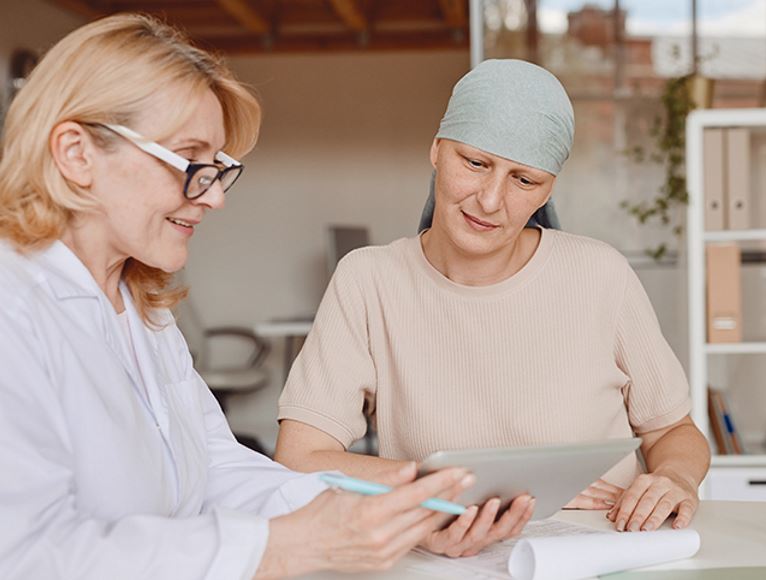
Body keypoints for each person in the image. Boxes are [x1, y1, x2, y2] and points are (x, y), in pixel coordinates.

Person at [0, 14, 475, 579]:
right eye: (190, 162)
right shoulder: (15, 309)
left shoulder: (141, 309)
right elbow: (25, 557)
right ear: (77, 154)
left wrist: (397, 507)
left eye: (218, 170)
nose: (213, 198)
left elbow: (217, 470)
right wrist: (281, 549)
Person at [274, 59, 712, 556]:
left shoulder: (600, 274)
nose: (489, 200)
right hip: (444, 559)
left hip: (601, 553)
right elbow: (301, 457)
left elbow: (672, 429)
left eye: (524, 180)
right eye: (475, 163)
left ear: (547, 189)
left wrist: (675, 477)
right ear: (437, 151)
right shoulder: (368, 279)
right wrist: (458, 489)